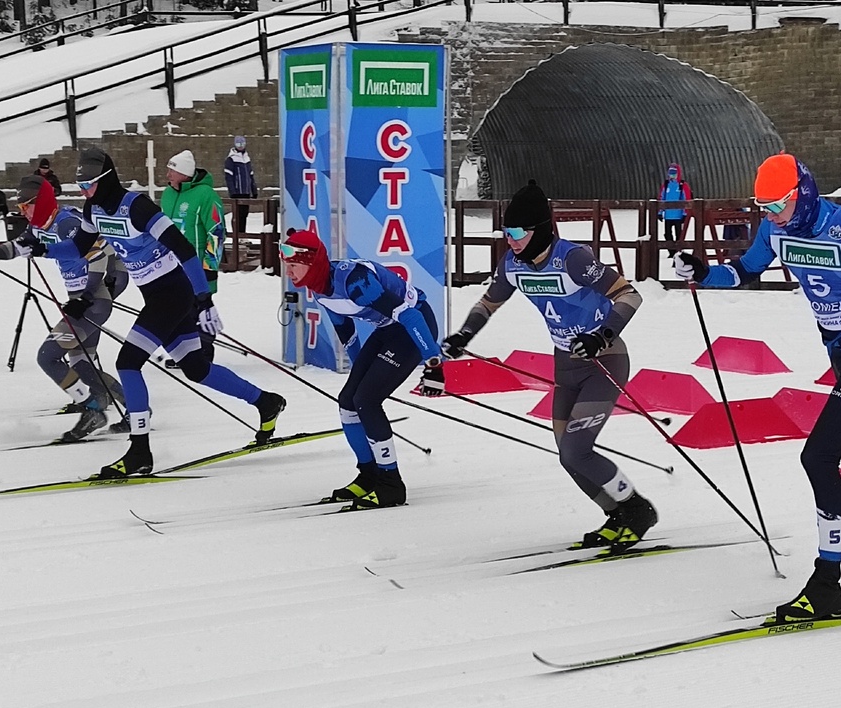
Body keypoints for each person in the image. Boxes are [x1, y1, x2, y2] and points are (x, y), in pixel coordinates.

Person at [674, 153, 841, 623]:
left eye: (778, 204)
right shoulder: (775, 228)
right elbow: (743, 272)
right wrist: (702, 273)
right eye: (763, 206)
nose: (770, 215)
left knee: (817, 457)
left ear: (803, 192)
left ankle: (825, 582)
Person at [41, 147, 286, 478]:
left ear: (105, 180)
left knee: (127, 362)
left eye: (89, 185)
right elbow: (77, 247)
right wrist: (41, 247)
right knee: (196, 369)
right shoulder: (93, 208)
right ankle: (266, 402)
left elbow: (183, 248)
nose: (84, 192)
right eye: (80, 186)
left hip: (172, 293)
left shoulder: (137, 207)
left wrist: (204, 300)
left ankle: (139, 450)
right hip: (157, 295)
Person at [444, 180, 656, 547]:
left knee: (577, 448)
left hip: (604, 362)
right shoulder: (513, 263)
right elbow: (488, 303)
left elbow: (629, 294)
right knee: (567, 456)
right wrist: (464, 335)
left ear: (539, 230)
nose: (509, 239)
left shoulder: (573, 259)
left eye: (516, 232)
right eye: (505, 231)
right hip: (565, 366)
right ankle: (617, 514)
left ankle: (637, 509)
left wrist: (600, 335)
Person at [279, 230, 443, 510]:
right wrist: (362, 372)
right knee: (348, 400)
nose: (289, 272)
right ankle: (369, 475)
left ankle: (391, 484)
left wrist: (433, 364)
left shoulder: (354, 281)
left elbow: (412, 315)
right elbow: (348, 334)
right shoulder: (318, 287)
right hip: (388, 330)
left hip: (413, 328)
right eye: (287, 266)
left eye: (293, 265)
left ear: (311, 262)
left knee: (367, 400)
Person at [0, 175, 129, 441]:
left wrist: (87, 297)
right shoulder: (40, 224)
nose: (24, 212)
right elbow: (22, 246)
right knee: (82, 365)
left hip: (94, 298)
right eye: (20, 208)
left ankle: (93, 409)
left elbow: (97, 254)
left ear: (41, 202)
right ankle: (135, 409)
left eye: (27, 205)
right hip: (82, 299)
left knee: (48, 355)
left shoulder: (66, 223)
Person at [161, 149, 225, 365]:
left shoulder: (206, 195)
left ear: (185, 174)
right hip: (171, 267)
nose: (168, 174)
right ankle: (185, 353)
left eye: (173, 170)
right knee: (177, 311)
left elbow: (216, 232)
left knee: (199, 309)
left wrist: (209, 266)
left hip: (196, 265)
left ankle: (203, 354)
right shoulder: (167, 194)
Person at [223, 135, 256, 236]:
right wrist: (233, 192)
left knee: (244, 215)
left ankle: (243, 234)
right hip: (237, 192)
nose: (240, 146)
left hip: (246, 192)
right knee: (237, 215)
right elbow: (229, 177)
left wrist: (254, 190)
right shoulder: (231, 159)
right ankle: (237, 236)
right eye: (238, 144)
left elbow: (251, 175)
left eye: (242, 144)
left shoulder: (247, 158)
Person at [659, 163, 691, 254]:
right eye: (670, 172)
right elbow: (662, 198)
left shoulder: (682, 185)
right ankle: (671, 252)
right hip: (668, 215)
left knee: (679, 235)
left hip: (678, 215)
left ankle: (678, 251)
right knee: (667, 234)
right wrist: (660, 212)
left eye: (674, 172)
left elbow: (686, 199)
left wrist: (685, 213)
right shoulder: (666, 185)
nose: (672, 175)